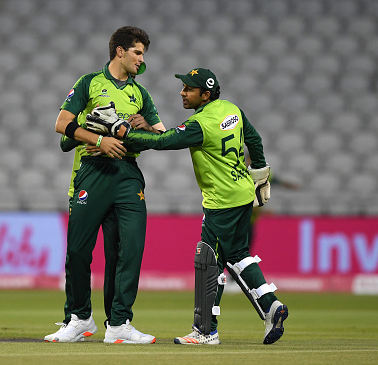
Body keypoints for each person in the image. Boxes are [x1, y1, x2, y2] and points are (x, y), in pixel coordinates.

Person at [86, 67, 288, 345]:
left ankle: (209, 330)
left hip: (221, 201)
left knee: (208, 263)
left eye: (188, 89)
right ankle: (265, 307)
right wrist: (261, 172)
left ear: (205, 95)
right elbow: (254, 140)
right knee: (235, 256)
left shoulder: (200, 124)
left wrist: (121, 131)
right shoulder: (232, 110)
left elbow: (164, 141)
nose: (182, 92)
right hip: (242, 194)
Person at [45, 26, 164, 344]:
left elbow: (162, 135)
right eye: (138, 52)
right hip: (92, 171)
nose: (142, 59)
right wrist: (100, 139)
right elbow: (61, 124)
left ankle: (120, 324)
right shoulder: (89, 83)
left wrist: (146, 127)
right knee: (79, 252)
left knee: (127, 251)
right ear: (120, 51)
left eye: (144, 54)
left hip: (127, 175)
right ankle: (80, 318)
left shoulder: (141, 94)